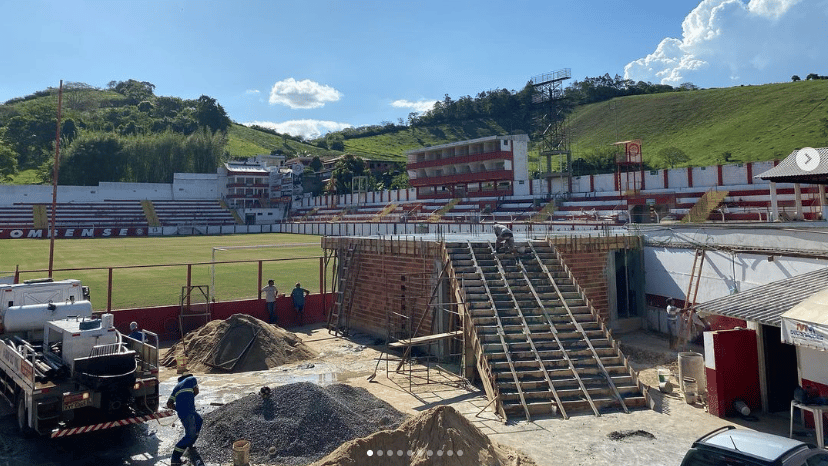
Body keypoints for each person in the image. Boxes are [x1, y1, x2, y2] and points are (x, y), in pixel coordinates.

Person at [167, 373, 203, 466]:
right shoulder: (192, 379)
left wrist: (178, 407)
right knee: (190, 434)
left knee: (199, 420)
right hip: (188, 411)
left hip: (184, 412)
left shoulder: (176, 387)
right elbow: (196, 391)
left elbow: (169, 404)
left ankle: (190, 444)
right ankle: (175, 458)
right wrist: (189, 398)